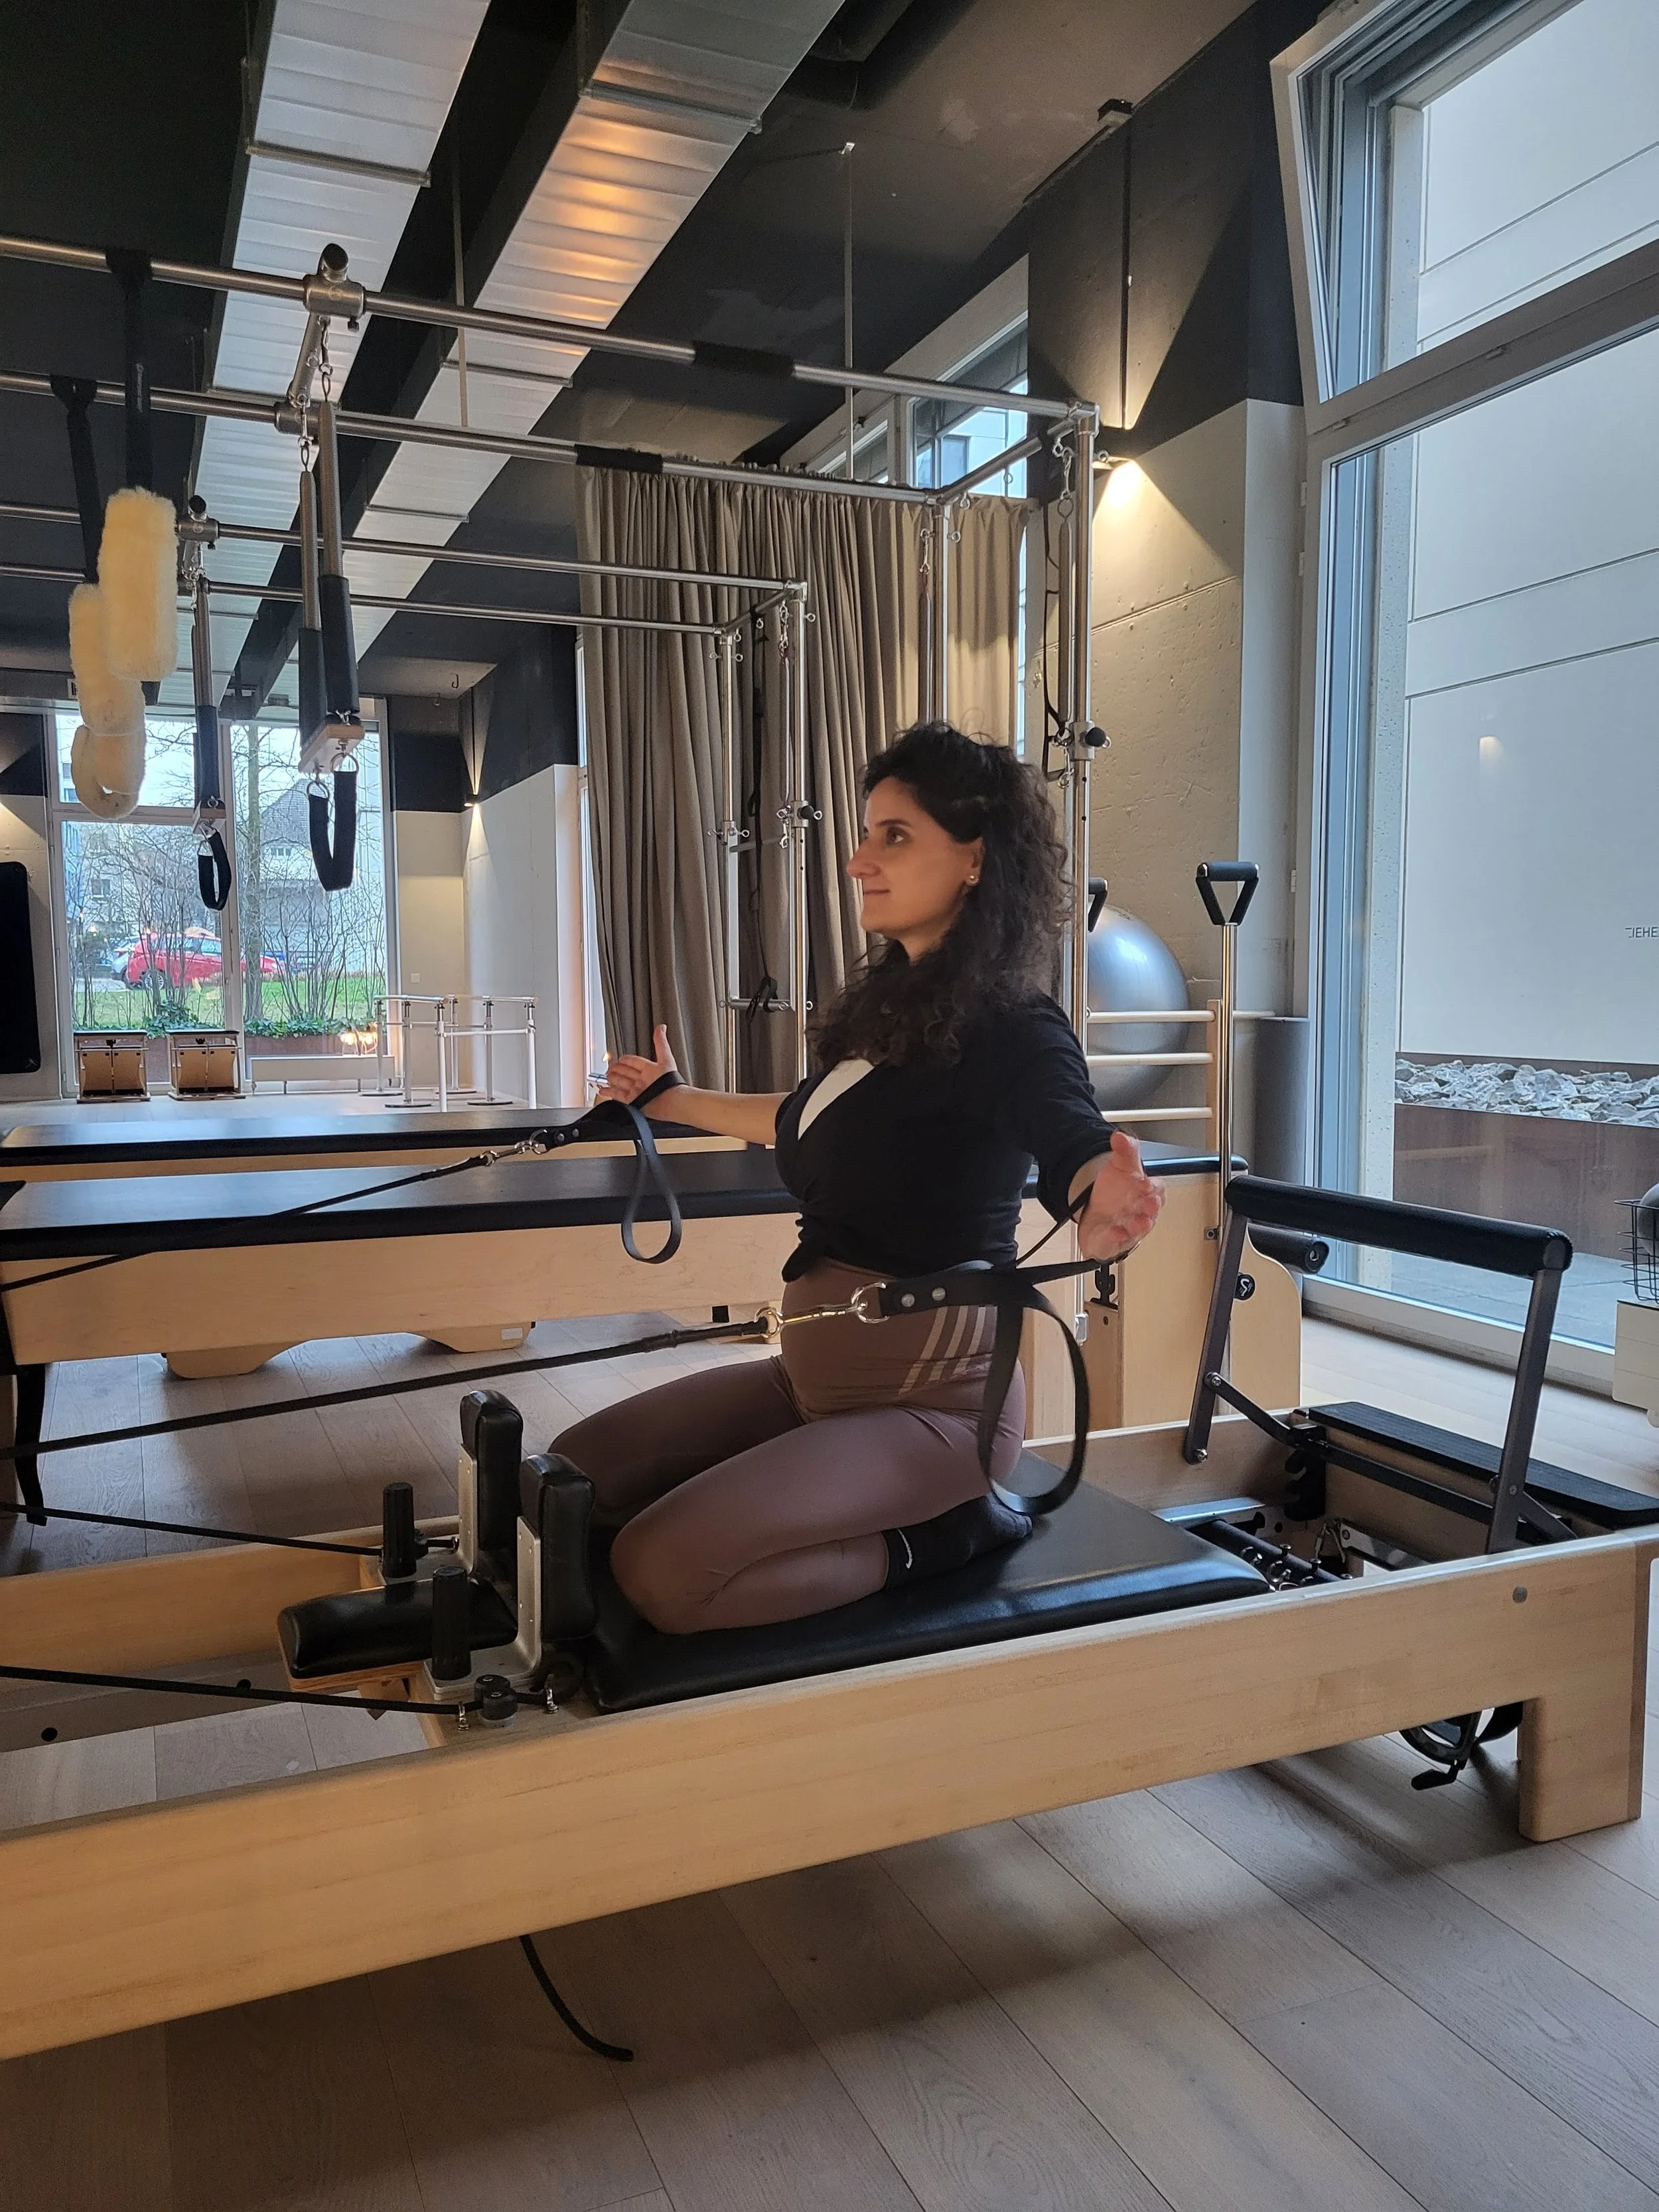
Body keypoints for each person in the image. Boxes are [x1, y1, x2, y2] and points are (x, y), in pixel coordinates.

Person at [555, 721, 1165, 1634]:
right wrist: (674, 1100)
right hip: (811, 1382)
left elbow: (1067, 1128)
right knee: (574, 1471)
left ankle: (951, 1533)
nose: (857, 862)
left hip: (939, 1410)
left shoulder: (1010, 1023)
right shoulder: (895, 1009)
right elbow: (797, 1118)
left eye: (895, 836)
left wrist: (1096, 1189)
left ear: (974, 860)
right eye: (866, 833)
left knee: (663, 1569)